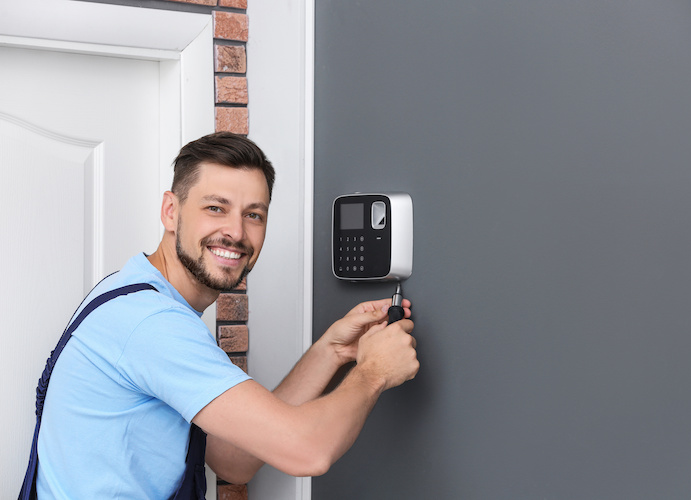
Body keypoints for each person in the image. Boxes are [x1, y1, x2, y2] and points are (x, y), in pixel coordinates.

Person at [34, 132, 419, 498]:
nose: (235, 232)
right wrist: (374, 372)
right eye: (215, 208)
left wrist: (331, 351)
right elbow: (307, 451)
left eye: (253, 215)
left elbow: (234, 459)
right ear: (171, 211)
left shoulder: (134, 292)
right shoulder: (152, 325)